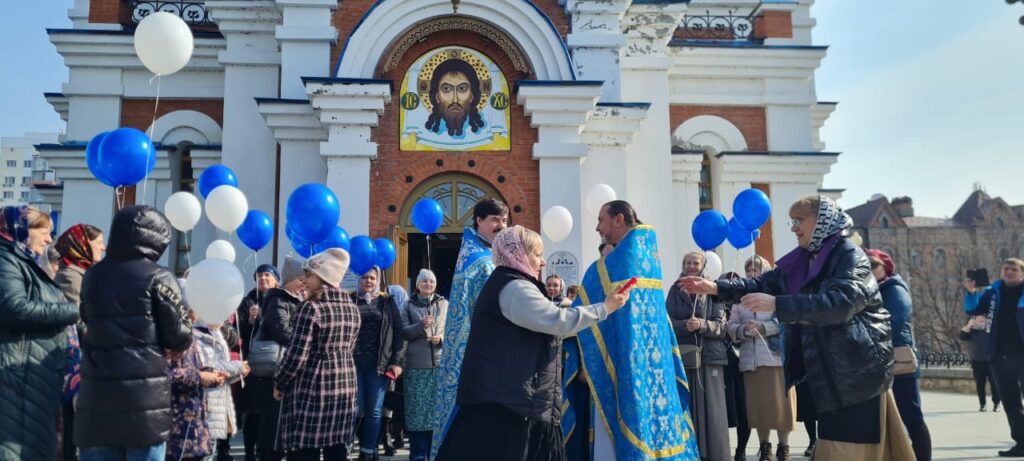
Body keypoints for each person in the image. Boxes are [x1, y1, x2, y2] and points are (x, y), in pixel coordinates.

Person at [682, 195, 913, 460]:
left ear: (823, 220)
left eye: (799, 220)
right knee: (836, 445)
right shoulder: (805, 259)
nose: (793, 227)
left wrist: (778, 305)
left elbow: (840, 303)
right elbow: (763, 284)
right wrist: (715, 288)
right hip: (831, 373)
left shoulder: (849, 256)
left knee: (852, 448)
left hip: (857, 370)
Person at [436, 225, 632, 461]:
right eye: (537, 255)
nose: (542, 263)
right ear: (518, 253)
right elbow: (556, 321)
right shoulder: (514, 287)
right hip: (509, 403)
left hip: (507, 398)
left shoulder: (509, 282)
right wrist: (605, 308)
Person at [563, 200, 699, 461]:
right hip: (656, 369)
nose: (597, 227)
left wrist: (581, 363)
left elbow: (577, 320)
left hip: (622, 370)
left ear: (619, 220)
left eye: (601, 219)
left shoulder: (608, 267)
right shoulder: (651, 261)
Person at [75, 205, 194, 460]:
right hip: (144, 401)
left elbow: (85, 318)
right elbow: (179, 335)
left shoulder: (92, 275)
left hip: (97, 396)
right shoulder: (159, 277)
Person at [0, 206, 80, 460]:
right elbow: (14, 308)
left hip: (31, 379)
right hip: (16, 379)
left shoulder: (24, 262)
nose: (49, 240)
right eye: (44, 232)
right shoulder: (5, 259)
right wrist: (71, 310)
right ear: (21, 229)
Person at [432, 198, 509, 455]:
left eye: (505, 220)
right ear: (479, 220)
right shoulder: (481, 260)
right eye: (495, 220)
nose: (501, 225)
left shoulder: (482, 252)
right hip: (479, 349)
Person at [274, 248, 359, 461]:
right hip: (344, 385)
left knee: (305, 450)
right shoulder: (353, 309)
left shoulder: (312, 308)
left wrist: (280, 382)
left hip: (313, 387)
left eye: (309, 274)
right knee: (337, 448)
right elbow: (350, 348)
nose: (304, 279)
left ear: (324, 278)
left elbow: (297, 355)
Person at [728, 256, 796, 461]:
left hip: (775, 359)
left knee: (781, 407)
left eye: (756, 270)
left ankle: (783, 448)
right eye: (748, 270)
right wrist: (744, 330)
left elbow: (787, 320)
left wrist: (764, 328)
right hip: (751, 360)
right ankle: (764, 448)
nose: (751, 274)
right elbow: (730, 326)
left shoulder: (777, 294)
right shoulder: (740, 300)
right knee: (759, 408)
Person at [866, 249, 932, 461]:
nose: (869, 269)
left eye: (873, 265)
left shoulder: (894, 289)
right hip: (879, 358)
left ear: (886, 267)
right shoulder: (871, 289)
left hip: (899, 358)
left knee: (911, 415)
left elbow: (895, 320)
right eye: (865, 265)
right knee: (886, 418)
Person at [667, 252, 730, 461]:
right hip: (684, 358)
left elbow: (722, 327)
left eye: (696, 263)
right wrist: (684, 325)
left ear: (703, 266)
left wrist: (702, 325)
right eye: (688, 263)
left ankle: (715, 455)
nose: (691, 266)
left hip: (710, 357)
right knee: (687, 406)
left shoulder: (713, 290)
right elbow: (667, 323)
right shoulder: (675, 290)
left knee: (713, 410)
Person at [52, 223, 106, 461]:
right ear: (81, 246)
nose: (103, 248)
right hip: (74, 368)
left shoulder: (84, 274)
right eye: (98, 243)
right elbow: (77, 320)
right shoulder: (71, 277)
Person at [964, 258, 1024, 457]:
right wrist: (971, 293)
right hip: (1000, 355)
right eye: (1005, 268)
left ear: (1022, 273)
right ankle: (1021, 443)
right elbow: (973, 310)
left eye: (1013, 269)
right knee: (1010, 402)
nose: (1008, 272)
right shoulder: (993, 292)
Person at [251, 256, 305, 461]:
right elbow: (282, 331)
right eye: (302, 277)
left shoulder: (294, 299)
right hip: (276, 369)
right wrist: (305, 340)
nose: (304, 281)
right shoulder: (278, 300)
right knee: (273, 423)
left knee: (283, 423)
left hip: (287, 367)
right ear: (292, 278)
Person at [350, 266, 405, 460]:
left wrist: (397, 361)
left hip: (379, 365)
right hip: (353, 363)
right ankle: (346, 447)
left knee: (374, 410)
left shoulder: (387, 301)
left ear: (378, 280)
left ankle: (367, 451)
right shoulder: (350, 299)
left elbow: (399, 333)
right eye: (364, 277)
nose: (368, 281)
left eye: (372, 278)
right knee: (353, 409)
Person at [401, 269, 449, 461]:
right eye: (424, 281)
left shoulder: (444, 304)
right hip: (416, 367)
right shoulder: (408, 305)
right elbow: (403, 332)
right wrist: (421, 326)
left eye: (431, 281)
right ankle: (418, 454)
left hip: (439, 367)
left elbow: (453, 329)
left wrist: (442, 338)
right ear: (418, 284)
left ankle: (435, 453)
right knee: (417, 415)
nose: (428, 284)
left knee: (436, 414)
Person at [235, 264, 281, 461]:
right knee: (252, 414)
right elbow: (240, 332)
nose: (262, 279)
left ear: (276, 279)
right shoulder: (247, 301)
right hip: (253, 366)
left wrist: (262, 318)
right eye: (259, 276)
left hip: (275, 366)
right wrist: (250, 321)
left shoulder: (280, 299)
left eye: (267, 275)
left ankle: (267, 451)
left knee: (269, 414)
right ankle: (249, 452)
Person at [194, 314, 250, 461]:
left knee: (210, 451)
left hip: (218, 402)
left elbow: (219, 369)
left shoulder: (216, 332)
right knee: (205, 453)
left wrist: (239, 371)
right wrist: (237, 366)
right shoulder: (196, 335)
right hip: (205, 405)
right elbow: (206, 367)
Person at [718, 272, 751, 461]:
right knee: (725, 410)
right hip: (722, 363)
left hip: (742, 362)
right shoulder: (714, 302)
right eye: (726, 283)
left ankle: (741, 450)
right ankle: (722, 449)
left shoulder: (744, 302)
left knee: (743, 410)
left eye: (733, 282)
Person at [959, 314, 1000, 412]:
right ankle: (983, 404)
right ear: (974, 319)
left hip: (991, 360)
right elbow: (962, 336)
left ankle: (997, 403)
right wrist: (969, 326)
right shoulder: (972, 330)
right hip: (977, 361)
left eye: (983, 317)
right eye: (978, 317)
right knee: (980, 384)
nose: (981, 319)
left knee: (995, 383)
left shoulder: (991, 329)